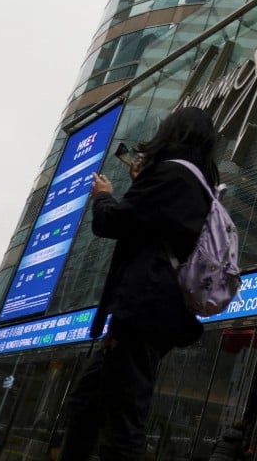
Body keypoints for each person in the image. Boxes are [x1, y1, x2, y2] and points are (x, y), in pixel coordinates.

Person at [57, 107, 219, 461]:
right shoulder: (200, 184)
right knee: (88, 402)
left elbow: (113, 223)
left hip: (143, 306)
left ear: (173, 132)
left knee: (124, 419)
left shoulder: (169, 174)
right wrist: (139, 185)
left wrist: (103, 195)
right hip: (160, 308)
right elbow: (156, 223)